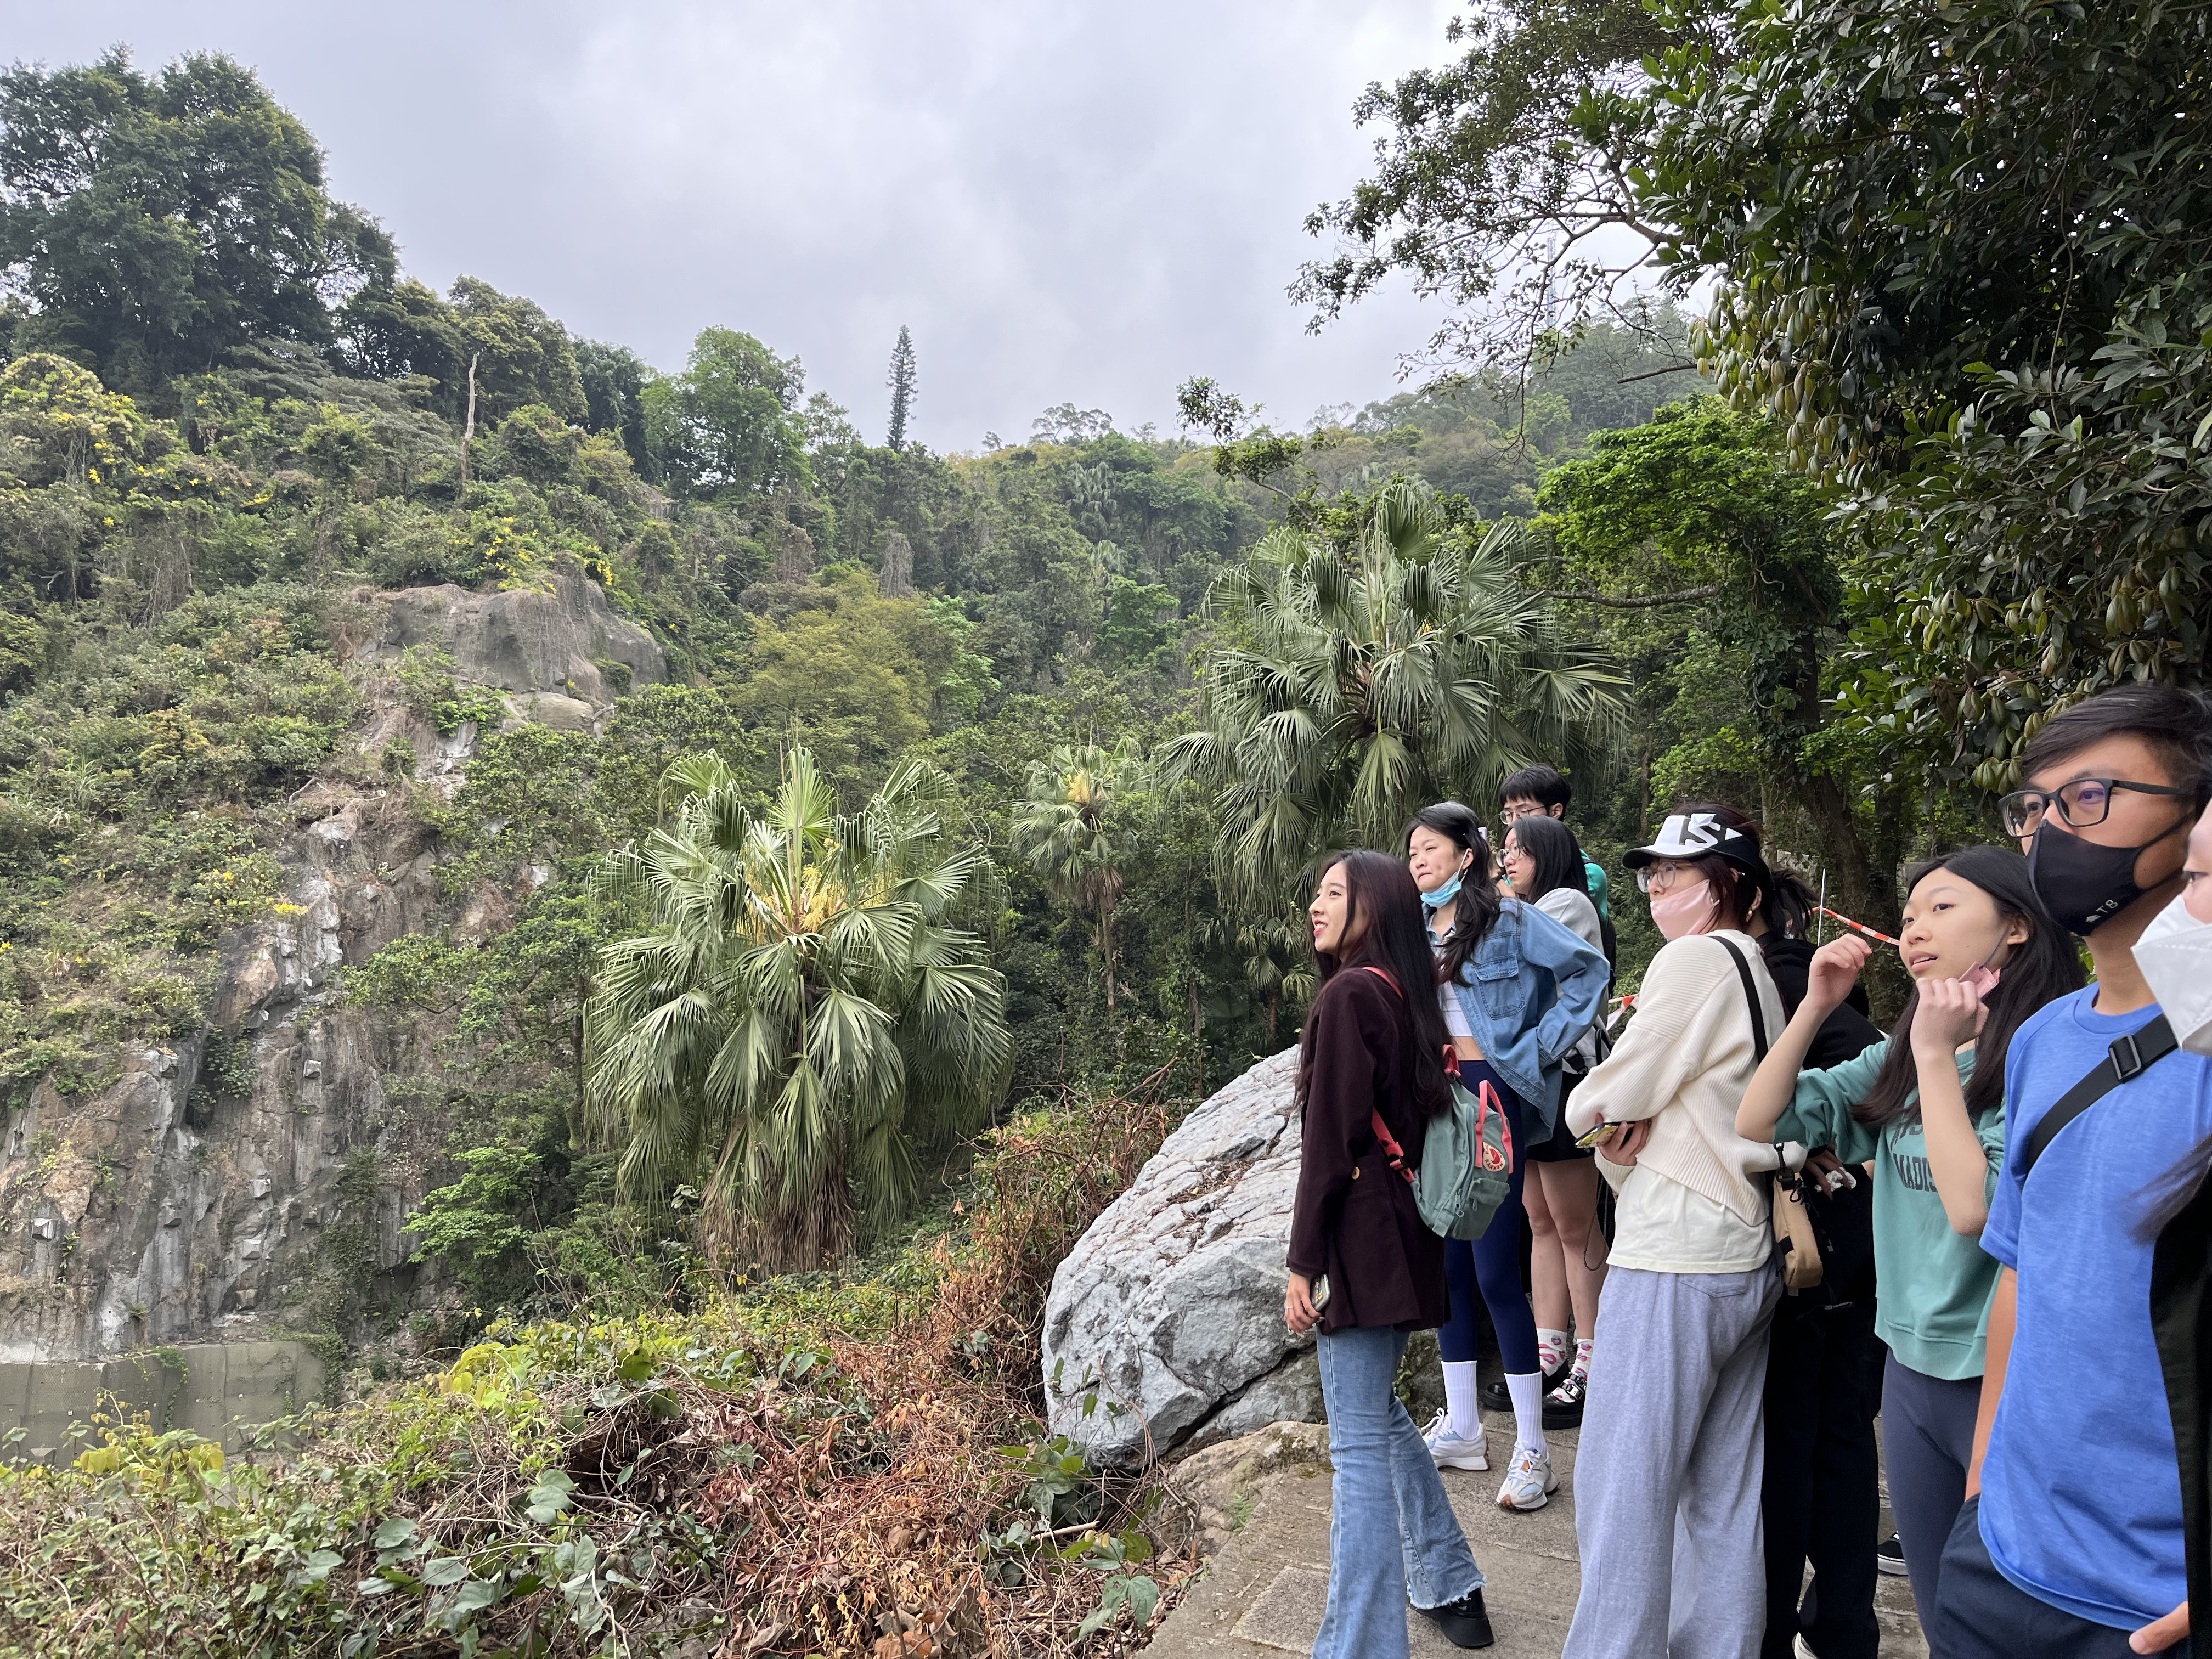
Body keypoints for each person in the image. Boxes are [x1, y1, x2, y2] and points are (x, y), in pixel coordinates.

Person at [1925, 684, 2212, 1659]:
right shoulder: (2046, 1036)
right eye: (2034, 806)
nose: (2050, 828)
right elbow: (2020, 1268)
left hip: (2156, 1604)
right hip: (2000, 1554)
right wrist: (1979, 1483)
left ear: (2195, 819)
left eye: (2087, 795)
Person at [1734, 847, 2083, 1643]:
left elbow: (1974, 1209)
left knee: (2012, 1613)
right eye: (1911, 913)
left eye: (1943, 908)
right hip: (1909, 1369)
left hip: (2003, 1375)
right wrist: (1817, 1008)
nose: (1916, 928)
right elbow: (1758, 1120)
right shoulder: (1904, 1052)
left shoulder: (2048, 1053)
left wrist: (1931, 1054)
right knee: (1939, 1609)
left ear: (2019, 927)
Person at [1560, 806, 1788, 1659]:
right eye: (1652, 874)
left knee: (1623, 1487)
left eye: (1677, 874)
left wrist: (1590, 1114)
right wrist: (1618, 1137)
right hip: (1743, 1250)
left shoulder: (1694, 958)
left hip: (1676, 1259)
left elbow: (1604, 1099)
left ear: (1731, 884)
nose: (1657, 889)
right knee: (1722, 1493)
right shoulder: (1756, 967)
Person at [1284, 849, 1494, 1655]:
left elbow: (1330, 1147)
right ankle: (1448, 1579)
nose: (1316, 904)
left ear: (1372, 905)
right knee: (1379, 1416)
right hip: (1406, 1238)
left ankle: (1359, 1647)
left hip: (1358, 1248)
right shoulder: (1409, 992)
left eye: (1334, 892)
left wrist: (1304, 1260)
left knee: (1359, 1454)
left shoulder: (1347, 996)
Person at [1404, 803, 1608, 1511]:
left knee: (1495, 1269)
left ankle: (1533, 1449)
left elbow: (1588, 971)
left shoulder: (1509, 921)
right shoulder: (1414, 931)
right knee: (1449, 1267)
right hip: (1438, 1098)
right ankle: (1463, 1429)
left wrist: (1533, 1053)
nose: (1419, 861)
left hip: (1493, 1096)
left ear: (1468, 856)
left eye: (1431, 849)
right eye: (1412, 853)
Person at [1496, 812, 1609, 1428]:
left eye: (1520, 850)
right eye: (1505, 848)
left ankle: (1593, 1362)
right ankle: (1550, 1352)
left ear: (1551, 852)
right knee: (1540, 1220)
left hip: (1568, 1079)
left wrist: (1499, 904)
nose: (1509, 859)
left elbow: (1528, 974)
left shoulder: (1567, 903)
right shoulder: (1526, 905)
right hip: (1533, 1083)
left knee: (1574, 1225)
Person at [1500, 763, 1613, 927]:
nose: (1514, 822)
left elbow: (1536, 933)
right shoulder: (1514, 871)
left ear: (1555, 812)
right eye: (1509, 814)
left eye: (1523, 812)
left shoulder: (1587, 875)